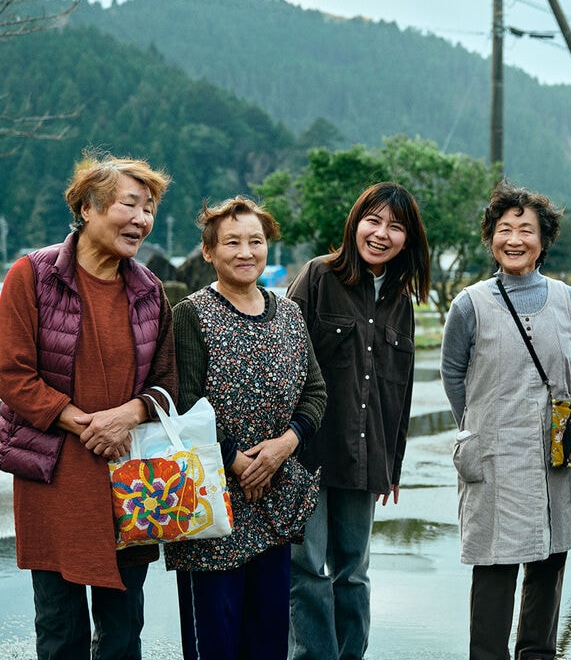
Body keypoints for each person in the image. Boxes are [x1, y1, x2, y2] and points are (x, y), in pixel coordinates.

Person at [0, 153, 177, 660]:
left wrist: (130, 414)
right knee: (60, 631)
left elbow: (169, 385)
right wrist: (84, 423)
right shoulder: (32, 275)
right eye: (130, 204)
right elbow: (12, 374)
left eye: (149, 209)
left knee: (123, 631)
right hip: (52, 476)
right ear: (87, 208)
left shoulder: (149, 290)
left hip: (132, 480)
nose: (142, 219)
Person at [440, 181, 571, 660]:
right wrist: (478, 428)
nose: (514, 239)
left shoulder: (568, 300)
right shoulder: (469, 303)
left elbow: (569, 367)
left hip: (554, 450)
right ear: (490, 237)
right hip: (495, 454)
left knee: (550, 559)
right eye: (504, 229)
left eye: (526, 230)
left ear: (544, 239)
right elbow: (454, 375)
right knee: (495, 563)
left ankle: (537, 654)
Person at [164, 196, 327, 660]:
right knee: (215, 637)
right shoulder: (192, 314)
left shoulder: (289, 314)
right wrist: (237, 462)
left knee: (268, 636)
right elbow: (185, 403)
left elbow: (316, 392)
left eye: (255, 241)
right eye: (231, 242)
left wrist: (282, 448)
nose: (246, 252)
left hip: (274, 497)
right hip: (210, 501)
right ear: (208, 251)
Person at [287, 181, 431, 660]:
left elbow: (400, 392)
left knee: (353, 572)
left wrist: (393, 465)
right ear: (355, 223)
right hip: (308, 452)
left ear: (407, 241)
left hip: (366, 458)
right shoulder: (318, 276)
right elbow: (286, 363)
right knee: (307, 570)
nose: (381, 233)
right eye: (373, 220)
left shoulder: (401, 301)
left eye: (395, 227)